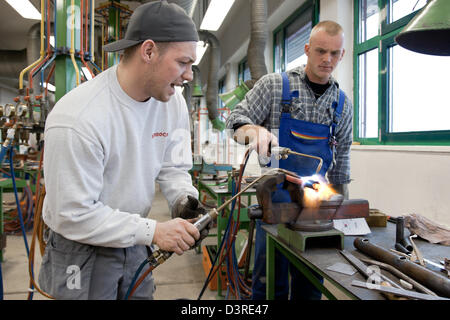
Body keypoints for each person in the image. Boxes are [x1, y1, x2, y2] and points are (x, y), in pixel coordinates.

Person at [38, 1, 207, 300]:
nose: (189, 75)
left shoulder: (173, 103)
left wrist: (183, 199)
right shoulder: (79, 118)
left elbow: (174, 168)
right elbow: (73, 214)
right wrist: (154, 232)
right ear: (149, 51)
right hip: (81, 249)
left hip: (134, 242)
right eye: (183, 63)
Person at [226, 20, 353, 300]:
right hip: (275, 200)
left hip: (316, 205)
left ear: (342, 54)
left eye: (334, 53)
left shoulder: (342, 104)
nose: (327, 59)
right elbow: (234, 122)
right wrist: (254, 131)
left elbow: (342, 160)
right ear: (307, 49)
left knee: (310, 282)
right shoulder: (274, 86)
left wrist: (342, 207)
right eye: (320, 51)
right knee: (270, 280)